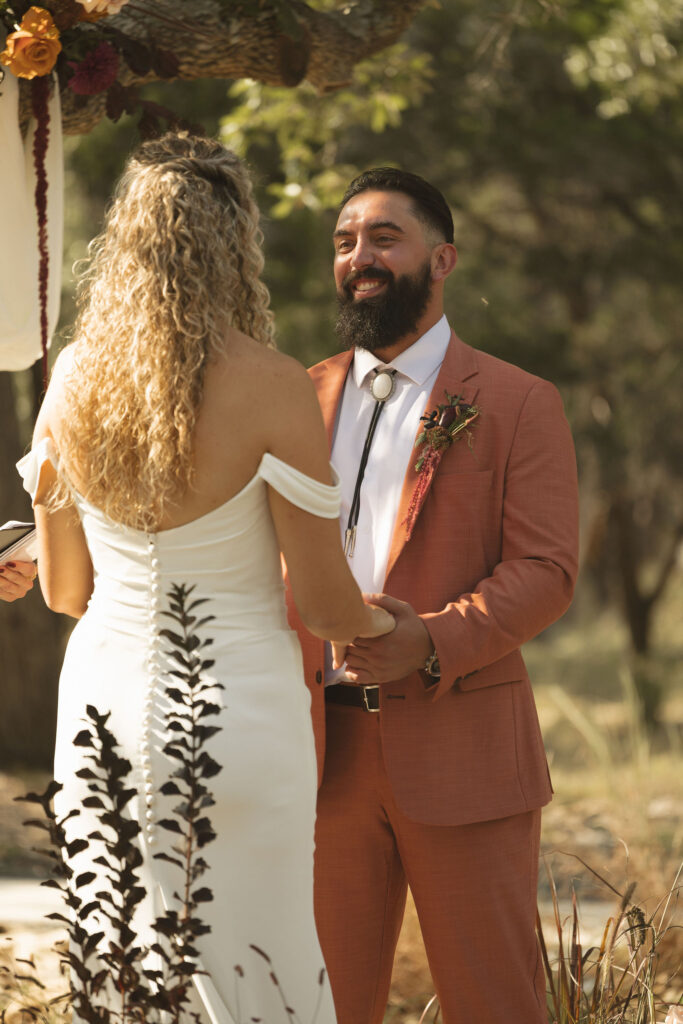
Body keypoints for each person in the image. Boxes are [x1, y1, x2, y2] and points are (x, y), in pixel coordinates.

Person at [16, 133, 394, 1024]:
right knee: (262, 973)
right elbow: (329, 603)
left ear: (128, 241)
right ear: (236, 241)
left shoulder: (71, 380)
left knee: (125, 978)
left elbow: (66, 591)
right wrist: (399, 627)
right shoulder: (271, 385)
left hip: (103, 709)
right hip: (242, 717)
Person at [285, 168, 580, 1024]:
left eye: (384, 237)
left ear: (441, 258)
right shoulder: (294, 397)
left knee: (495, 1003)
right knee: (320, 1006)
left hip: (463, 747)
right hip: (318, 752)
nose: (359, 256)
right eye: (344, 241)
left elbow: (546, 569)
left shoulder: (519, 401)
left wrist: (434, 639)